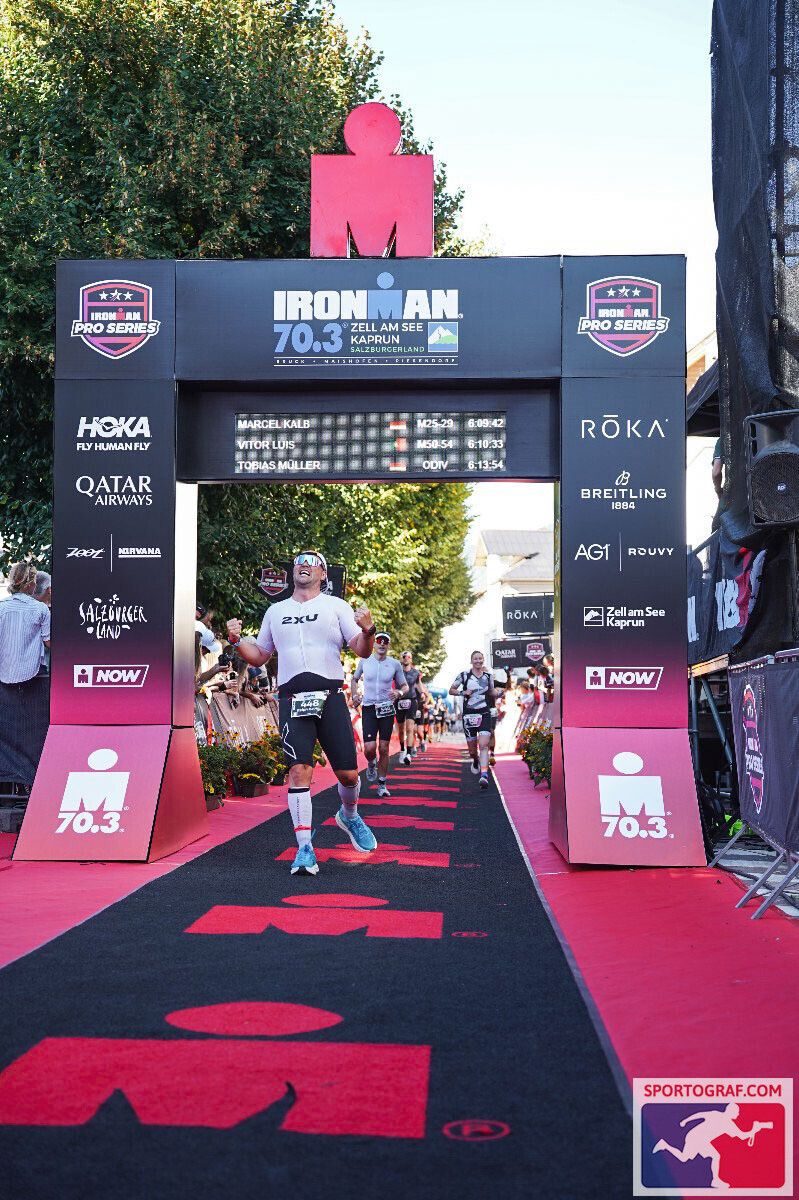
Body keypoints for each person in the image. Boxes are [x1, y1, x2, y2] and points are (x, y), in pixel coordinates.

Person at [227, 551, 378, 876]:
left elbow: (360, 649)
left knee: (349, 775)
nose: (304, 565)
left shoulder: (335, 606)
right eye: (299, 562)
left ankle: (349, 815)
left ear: (323, 573)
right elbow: (260, 656)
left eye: (312, 562)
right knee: (299, 772)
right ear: (293, 572)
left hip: (331, 698)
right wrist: (237, 641)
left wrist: (368, 631)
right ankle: (305, 849)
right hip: (293, 698)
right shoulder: (276, 610)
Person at [0, 562, 51, 787]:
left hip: (3, 679)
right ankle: (37, 781)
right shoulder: (40, 609)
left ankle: (12, 783)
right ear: (31, 583)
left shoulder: (1, 607)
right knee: (34, 734)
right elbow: (50, 643)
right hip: (33, 679)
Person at [350, 632, 408, 798]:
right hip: (369, 707)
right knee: (369, 748)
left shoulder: (395, 664)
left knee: (383, 747)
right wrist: (355, 696)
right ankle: (370, 762)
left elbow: (405, 686)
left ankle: (382, 783)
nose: (382, 645)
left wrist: (398, 693)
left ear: (388, 645)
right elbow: (354, 680)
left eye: (385, 642)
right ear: (374, 644)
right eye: (379, 642)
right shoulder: (365, 661)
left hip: (386, 709)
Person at [449, 649, 497, 789]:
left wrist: (498, 693)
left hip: (484, 714)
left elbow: (491, 691)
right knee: (472, 751)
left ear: (483, 660)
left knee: (483, 745)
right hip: (469, 715)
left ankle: (484, 776)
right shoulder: (464, 676)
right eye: (475, 659)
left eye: (480, 658)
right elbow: (451, 690)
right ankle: (475, 760)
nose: (478, 661)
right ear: (471, 661)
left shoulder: (488, 676)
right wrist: (463, 692)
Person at [396, 650, 424, 765]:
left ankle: (408, 753)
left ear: (411, 659)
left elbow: (418, 684)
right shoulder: (397, 672)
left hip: (412, 701)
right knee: (401, 730)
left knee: (410, 728)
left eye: (408, 657)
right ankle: (402, 749)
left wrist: (422, 693)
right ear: (401, 659)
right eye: (404, 656)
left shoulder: (416, 673)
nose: (406, 658)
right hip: (399, 701)